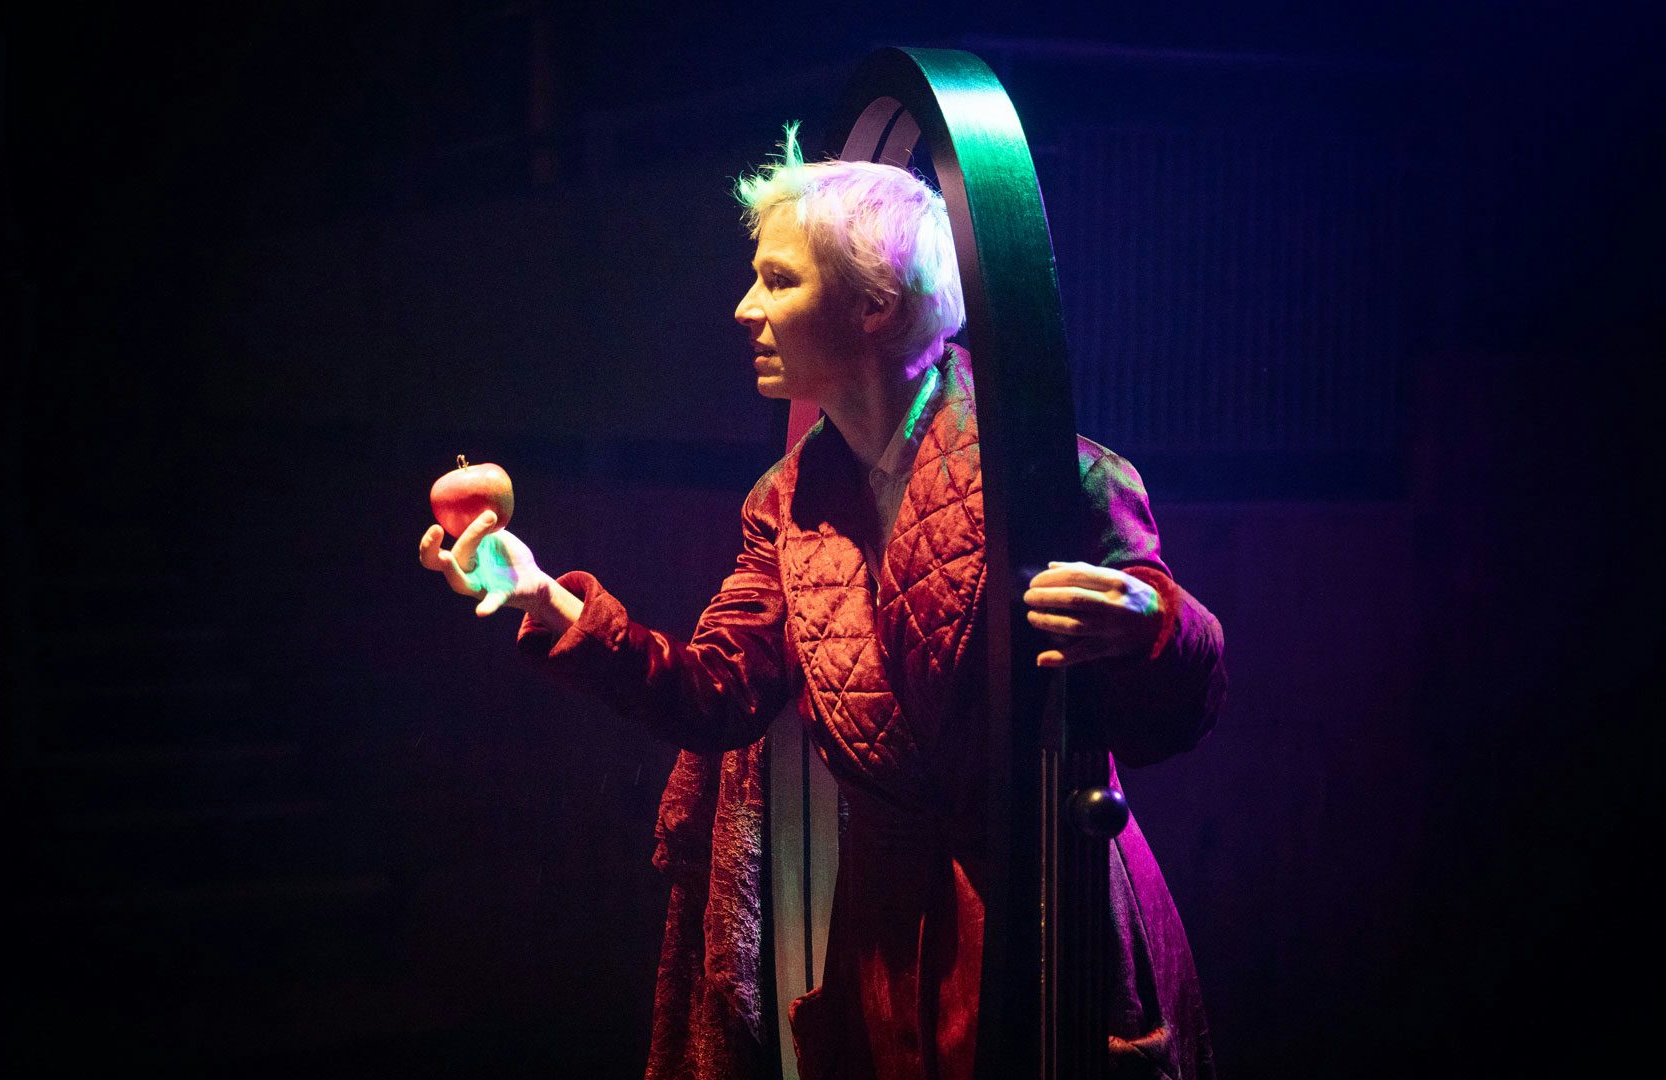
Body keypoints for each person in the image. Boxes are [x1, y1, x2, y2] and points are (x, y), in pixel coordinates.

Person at [419, 129, 1226, 1080]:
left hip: (1050, 929)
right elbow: (716, 694)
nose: (745, 308)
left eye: (778, 280)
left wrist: (1151, 630)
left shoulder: (1064, 477)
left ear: (875, 305)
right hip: (881, 942)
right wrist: (549, 601)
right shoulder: (783, 501)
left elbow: (1185, 704)